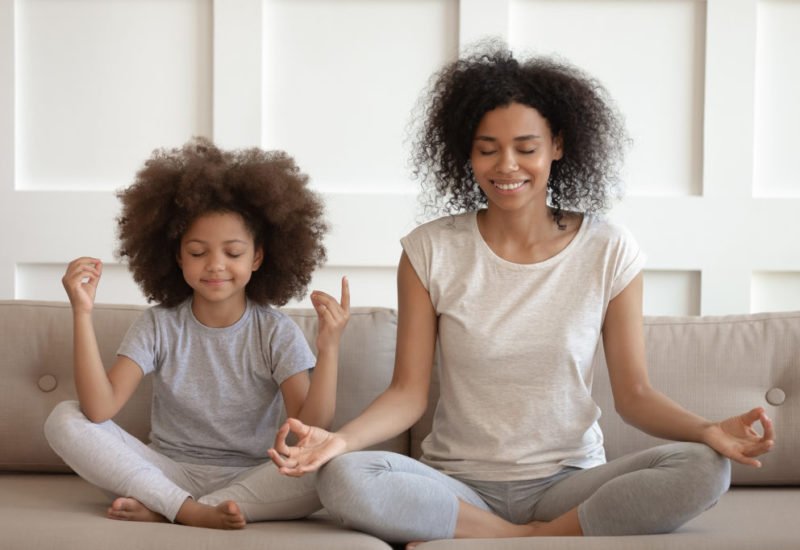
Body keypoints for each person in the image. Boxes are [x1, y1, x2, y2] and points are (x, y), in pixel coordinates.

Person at [267, 45, 775, 545]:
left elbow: (635, 396)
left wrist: (707, 429)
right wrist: (340, 441)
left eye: (526, 148)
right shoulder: (429, 250)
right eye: (487, 149)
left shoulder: (608, 249)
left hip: (569, 482)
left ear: (557, 144)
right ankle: (527, 536)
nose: (506, 166)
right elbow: (407, 394)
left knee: (706, 466)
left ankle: (513, 536)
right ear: (466, 151)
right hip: (458, 485)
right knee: (342, 475)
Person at [44, 138, 350, 530]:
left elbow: (309, 427)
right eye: (198, 251)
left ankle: (168, 509)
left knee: (334, 461)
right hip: (165, 470)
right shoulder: (159, 324)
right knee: (63, 418)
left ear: (257, 257)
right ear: (177, 257)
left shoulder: (276, 331)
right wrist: (81, 312)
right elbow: (99, 410)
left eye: (233, 253)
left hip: (253, 477)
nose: (215, 266)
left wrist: (329, 349)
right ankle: (190, 510)